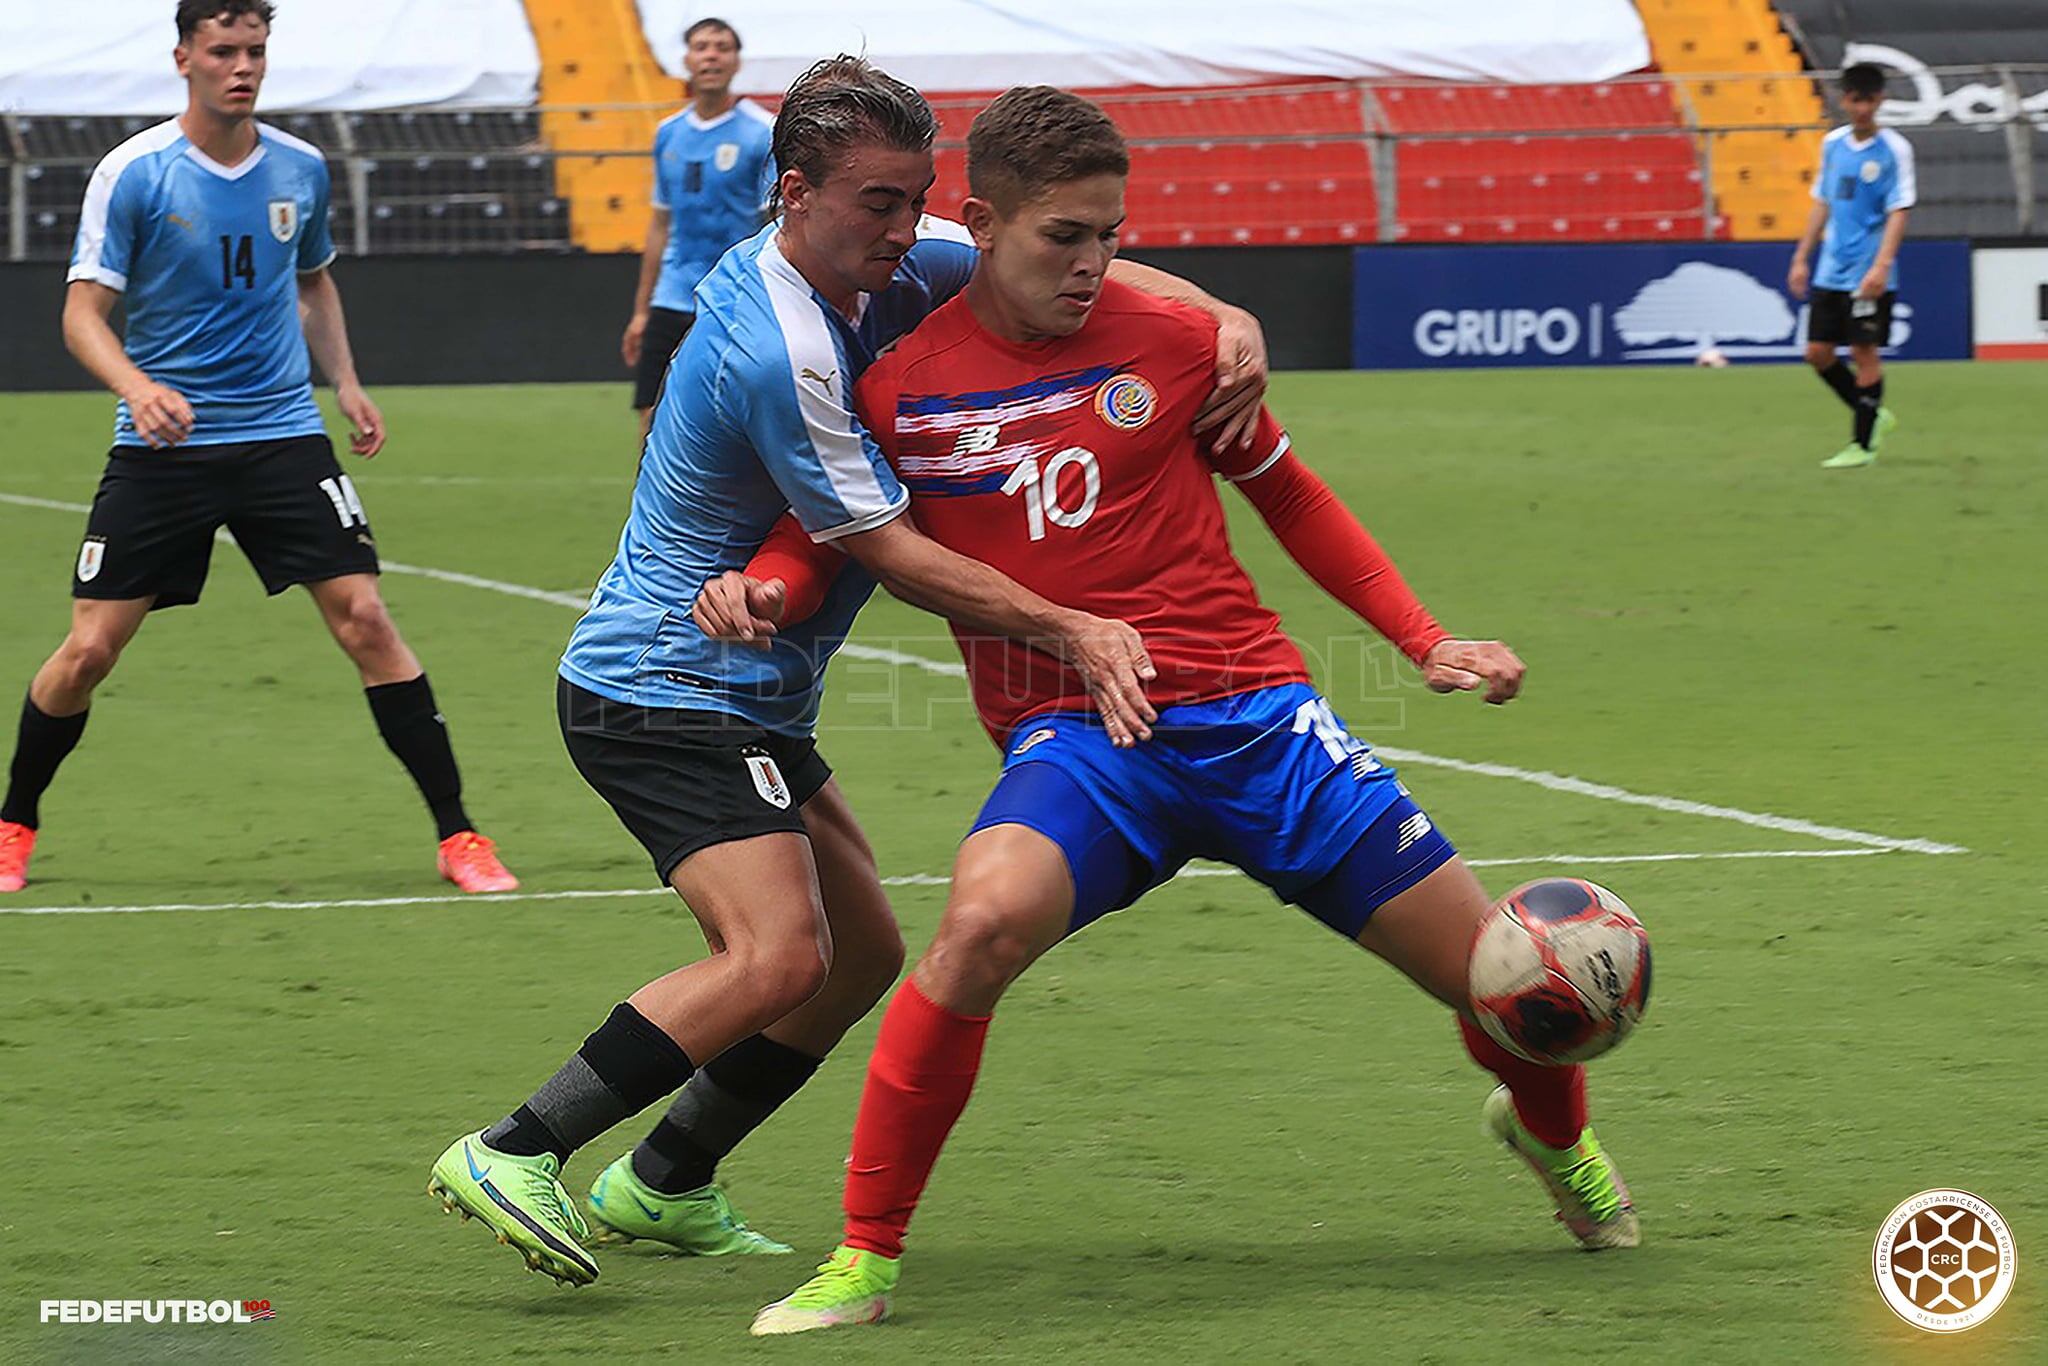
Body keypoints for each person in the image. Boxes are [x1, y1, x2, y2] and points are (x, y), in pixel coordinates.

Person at [699, 87, 1636, 1336]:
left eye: (1108, 234)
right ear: (977, 222)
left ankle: (1548, 1134)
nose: (1091, 265)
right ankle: (864, 1257)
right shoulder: (898, 390)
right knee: (977, 927)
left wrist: (1425, 639)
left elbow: (1294, 498)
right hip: (1080, 741)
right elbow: (829, 537)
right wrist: (761, 584)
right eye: (1063, 237)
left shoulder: (1181, 339)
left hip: (1257, 720)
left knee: (1503, 983)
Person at [425, 57, 1273, 1287]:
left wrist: (1216, 316)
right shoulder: (782, 348)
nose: (901, 227)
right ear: (792, 194)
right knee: (777, 957)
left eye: (912, 199)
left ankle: (664, 1179)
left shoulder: (884, 258)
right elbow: (890, 550)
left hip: (747, 691)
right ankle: (515, 1146)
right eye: (876, 202)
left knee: (863, 948)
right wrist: (1074, 630)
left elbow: (1040, 258)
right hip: (663, 687)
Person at [0, 0, 517, 897]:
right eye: (225, 50)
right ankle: (14, 822)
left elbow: (313, 280)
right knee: (89, 652)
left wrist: (345, 382)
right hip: (165, 446)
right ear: (184, 58)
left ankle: (459, 835)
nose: (243, 66)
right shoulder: (135, 174)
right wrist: (138, 388)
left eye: (256, 50)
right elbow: (82, 317)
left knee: (367, 620)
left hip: (283, 436)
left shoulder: (301, 168)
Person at [621, 17, 776, 445]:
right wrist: (641, 310)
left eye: (721, 47)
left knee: (733, 420)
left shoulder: (761, 132)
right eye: (702, 46)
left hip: (733, 299)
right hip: (673, 298)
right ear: (687, 60)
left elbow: (774, 225)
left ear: (735, 61)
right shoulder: (668, 133)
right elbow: (660, 224)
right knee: (651, 416)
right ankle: (650, 509)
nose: (711, 55)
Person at [1788, 62, 1915, 470]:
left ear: (1881, 101)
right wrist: (1800, 257)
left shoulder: (1895, 150)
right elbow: (1822, 201)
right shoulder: (1832, 145)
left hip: (1867, 272)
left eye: (1870, 100)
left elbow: (1899, 210)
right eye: (1855, 99)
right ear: (1844, 100)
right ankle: (1872, 414)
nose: (1862, 108)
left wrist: (1881, 266)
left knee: (1864, 351)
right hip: (1830, 268)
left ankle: (1863, 445)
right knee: (1817, 352)